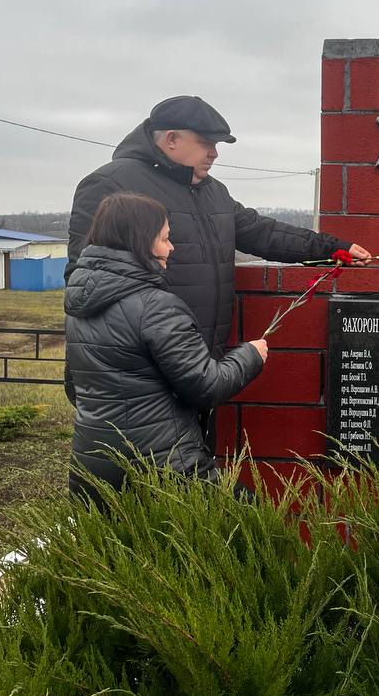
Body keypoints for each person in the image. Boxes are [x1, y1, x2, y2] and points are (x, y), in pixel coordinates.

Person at [68, 95, 371, 359]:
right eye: (206, 143)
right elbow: (85, 283)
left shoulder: (212, 191)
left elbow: (262, 233)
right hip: (135, 372)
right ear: (171, 139)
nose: (214, 152)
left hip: (199, 365)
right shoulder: (110, 185)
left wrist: (334, 249)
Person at [64, 192, 267, 504]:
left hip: (92, 467)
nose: (171, 247)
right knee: (255, 516)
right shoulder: (156, 307)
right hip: (163, 468)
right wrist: (250, 355)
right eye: (164, 238)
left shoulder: (78, 306)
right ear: (141, 241)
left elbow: (74, 388)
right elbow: (207, 386)